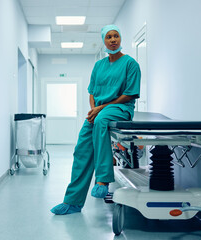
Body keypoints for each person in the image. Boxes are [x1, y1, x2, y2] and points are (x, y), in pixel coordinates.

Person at [51, 25, 141, 215]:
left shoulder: (130, 64)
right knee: (82, 149)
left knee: (101, 121)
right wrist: (93, 109)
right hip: (98, 111)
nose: (113, 39)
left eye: (116, 35)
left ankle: (103, 180)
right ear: (104, 41)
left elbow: (129, 94)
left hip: (120, 108)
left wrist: (100, 109)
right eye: (109, 37)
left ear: (120, 39)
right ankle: (72, 202)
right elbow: (91, 91)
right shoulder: (99, 65)